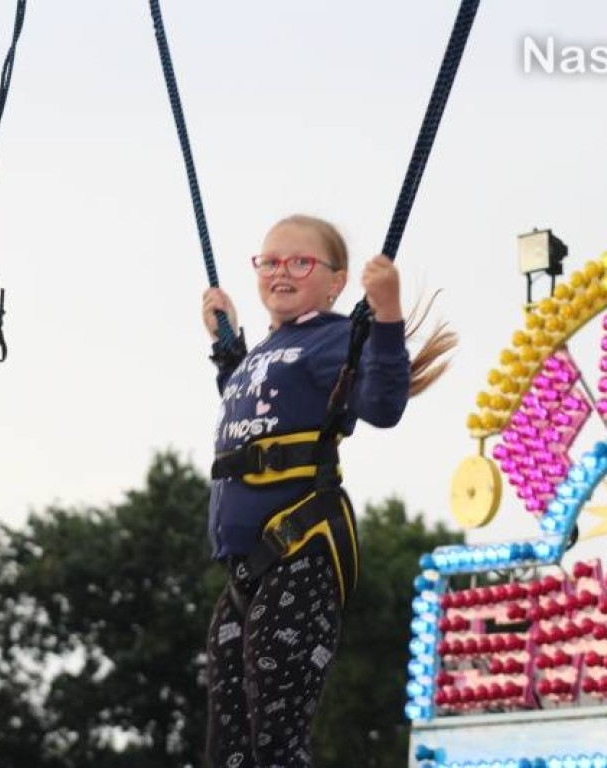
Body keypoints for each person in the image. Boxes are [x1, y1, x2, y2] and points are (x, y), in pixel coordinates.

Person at [200, 214, 455, 767]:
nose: (281, 272)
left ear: (336, 281)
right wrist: (226, 344)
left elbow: (383, 405)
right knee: (228, 750)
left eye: (300, 262)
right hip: (245, 571)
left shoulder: (335, 337)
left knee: (276, 741)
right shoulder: (268, 350)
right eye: (269, 261)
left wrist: (385, 315)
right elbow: (257, 404)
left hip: (298, 554)